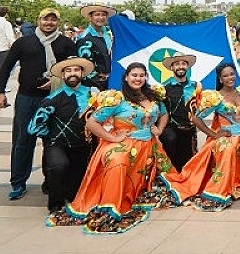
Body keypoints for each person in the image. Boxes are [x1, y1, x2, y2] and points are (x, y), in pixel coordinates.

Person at [48, 62, 171, 234]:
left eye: (142, 75)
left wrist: (159, 130)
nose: (138, 78)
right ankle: (112, 202)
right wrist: (113, 137)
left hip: (150, 145)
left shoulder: (153, 96)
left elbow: (164, 114)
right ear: (126, 77)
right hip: (124, 143)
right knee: (117, 161)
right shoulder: (117, 99)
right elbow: (92, 123)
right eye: (134, 75)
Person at [161, 62, 240, 211]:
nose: (230, 77)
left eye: (232, 74)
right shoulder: (216, 97)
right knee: (228, 150)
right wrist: (214, 134)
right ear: (220, 79)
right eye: (226, 75)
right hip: (225, 139)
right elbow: (196, 118)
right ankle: (220, 186)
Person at [0, 8, 77, 200]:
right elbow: (6, 67)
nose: (49, 23)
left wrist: (58, 81)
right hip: (27, 98)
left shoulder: (65, 44)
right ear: (38, 20)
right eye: (45, 19)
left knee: (53, 142)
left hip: (55, 99)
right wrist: (0, 91)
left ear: (58, 22)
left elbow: (75, 70)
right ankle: (18, 182)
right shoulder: (24, 42)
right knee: (23, 141)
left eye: (53, 20)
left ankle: (51, 181)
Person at [27, 56, 96, 213]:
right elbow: (33, 127)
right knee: (58, 166)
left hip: (83, 148)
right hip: (58, 145)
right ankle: (55, 204)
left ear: (82, 73)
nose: (72, 73)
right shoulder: (53, 99)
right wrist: (50, 136)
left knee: (74, 194)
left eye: (76, 70)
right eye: (68, 70)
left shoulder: (93, 96)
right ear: (63, 75)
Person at [158, 53, 201, 173]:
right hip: (171, 128)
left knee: (186, 166)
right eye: (177, 64)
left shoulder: (196, 86)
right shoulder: (165, 89)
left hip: (189, 129)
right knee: (170, 139)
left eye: (183, 63)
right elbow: (160, 112)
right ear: (172, 68)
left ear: (187, 67)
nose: (180, 66)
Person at [74, 3, 116, 91]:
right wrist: (99, 82)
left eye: (103, 15)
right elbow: (84, 66)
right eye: (97, 15)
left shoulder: (106, 34)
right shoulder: (85, 38)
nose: (101, 18)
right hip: (94, 85)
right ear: (90, 17)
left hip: (109, 81)